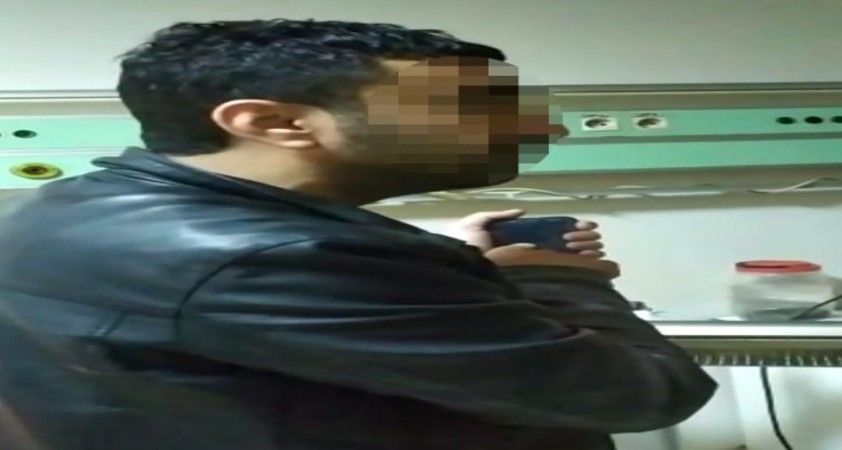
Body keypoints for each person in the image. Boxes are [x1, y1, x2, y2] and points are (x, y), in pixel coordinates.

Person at [0, 19, 716, 450]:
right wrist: (559, 278)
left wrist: (452, 265)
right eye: (472, 107)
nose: (544, 128)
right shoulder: (280, 257)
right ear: (276, 122)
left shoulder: (70, 207)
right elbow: (640, 394)